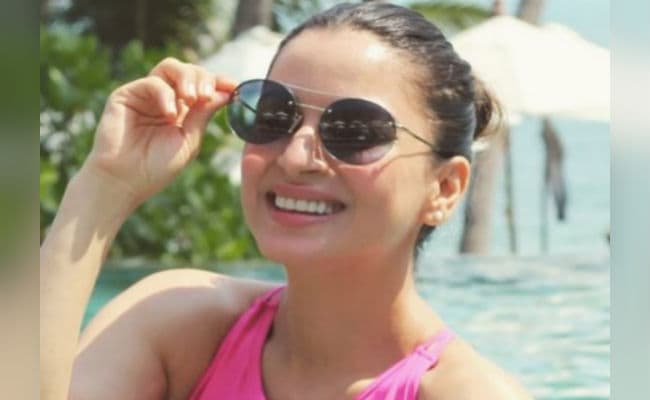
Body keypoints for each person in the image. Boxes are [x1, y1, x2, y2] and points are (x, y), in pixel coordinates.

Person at [41, 2, 532, 399]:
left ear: (443, 188)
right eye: (274, 115)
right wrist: (104, 185)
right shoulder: (179, 327)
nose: (296, 157)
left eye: (355, 130)